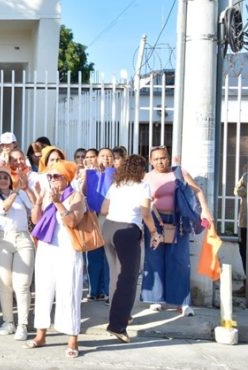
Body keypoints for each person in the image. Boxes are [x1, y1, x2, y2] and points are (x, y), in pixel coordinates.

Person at [142, 146, 214, 316]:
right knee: (154, 258)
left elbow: (197, 190)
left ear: (168, 158)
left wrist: (205, 210)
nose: (161, 161)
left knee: (179, 261)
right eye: (157, 159)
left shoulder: (179, 172)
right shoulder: (146, 177)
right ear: (151, 161)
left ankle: (181, 301)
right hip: (154, 222)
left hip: (178, 221)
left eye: (163, 157)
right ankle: (155, 299)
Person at [27, 160, 86, 358]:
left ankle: (72, 339)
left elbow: (72, 221)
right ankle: (40, 334)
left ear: (67, 178)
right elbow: (36, 220)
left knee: (69, 292)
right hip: (46, 248)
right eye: (50, 176)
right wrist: (38, 201)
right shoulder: (46, 194)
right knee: (43, 290)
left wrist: (58, 202)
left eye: (56, 176)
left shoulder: (76, 196)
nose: (52, 179)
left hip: (68, 250)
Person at [100, 154, 159, 343]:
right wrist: (154, 232)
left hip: (109, 228)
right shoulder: (143, 186)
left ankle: (119, 314)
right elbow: (145, 213)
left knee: (116, 274)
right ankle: (117, 325)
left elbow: (103, 209)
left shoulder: (116, 185)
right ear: (140, 170)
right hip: (127, 230)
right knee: (129, 278)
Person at [0, 166, 37, 341]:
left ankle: (22, 324)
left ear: (10, 180)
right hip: (3, 239)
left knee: (22, 285)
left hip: (23, 239)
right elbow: (3, 208)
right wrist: (16, 192)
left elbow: (34, 206)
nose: (2, 180)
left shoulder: (19, 193)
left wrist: (25, 189)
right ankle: (8, 321)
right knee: (5, 284)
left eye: (6, 177)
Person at [82, 148, 113, 302]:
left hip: (111, 218)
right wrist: (85, 177)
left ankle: (107, 290)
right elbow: (84, 192)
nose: (106, 158)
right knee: (94, 254)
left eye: (109, 156)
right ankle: (94, 290)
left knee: (108, 255)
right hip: (93, 217)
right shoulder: (89, 174)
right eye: (103, 156)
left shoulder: (117, 174)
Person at [234, 169, 248, 295]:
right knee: (244, 251)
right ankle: (246, 283)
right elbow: (237, 190)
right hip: (244, 223)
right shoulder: (246, 176)